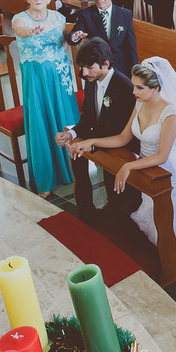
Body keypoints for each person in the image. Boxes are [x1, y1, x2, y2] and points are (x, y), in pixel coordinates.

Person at [69, 57, 176, 283]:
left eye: (139, 87)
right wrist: (93, 142)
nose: (133, 91)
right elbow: (122, 138)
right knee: (151, 207)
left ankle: (172, 259)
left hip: (166, 170)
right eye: (133, 85)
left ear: (156, 88)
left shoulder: (170, 114)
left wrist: (129, 165)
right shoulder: (139, 103)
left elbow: (162, 156)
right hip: (146, 167)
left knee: (172, 214)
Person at [57, 38, 137, 220]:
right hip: (102, 138)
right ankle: (86, 210)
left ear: (105, 64)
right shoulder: (92, 80)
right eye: (81, 67)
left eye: (89, 67)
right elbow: (87, 118)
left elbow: (123, 131)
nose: (84, 73)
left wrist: (91, 144)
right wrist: (71, 133)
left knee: (118, 194)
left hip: (124, 145)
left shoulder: (124, 87)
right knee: (75, 152)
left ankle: (117, 210)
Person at [11, 0, 79, 197]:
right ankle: (46, 177)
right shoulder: (19, 19)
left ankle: (73, 168)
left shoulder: (59, 17)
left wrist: (73, 38)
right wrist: (31, 32)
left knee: (64, 118)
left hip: (60, 76)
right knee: (41, 121)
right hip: (37, 80)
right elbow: (20, 32)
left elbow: (64, 43)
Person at [67, 0, 138, 77]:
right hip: (96, 69)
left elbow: (131, 48)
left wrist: (134, 73)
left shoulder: (125, 15)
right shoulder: (85, 14)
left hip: (120, 69)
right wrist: (75, 36)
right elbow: (71, 36)